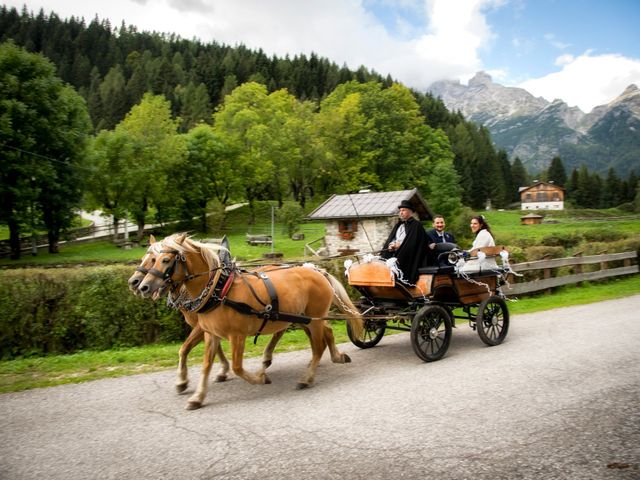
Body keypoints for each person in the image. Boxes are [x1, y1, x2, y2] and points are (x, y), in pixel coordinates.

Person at [381, 200, 428, 284]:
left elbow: (415, 244)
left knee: (398, 261)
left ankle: (402, 282)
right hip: (395, 252)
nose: (401, 212)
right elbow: (392, 238)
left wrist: (400, 246)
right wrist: (391, 245)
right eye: (400, 210)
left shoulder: (416, 225)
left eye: (403, 210)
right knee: (383, 258)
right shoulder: (399, 225)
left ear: (411, 212)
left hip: (408, 255)